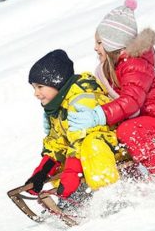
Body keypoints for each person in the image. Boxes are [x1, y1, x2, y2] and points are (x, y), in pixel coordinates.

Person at [68, 0, 155, 179]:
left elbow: (131, 102)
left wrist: (98, 115)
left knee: (127, 131)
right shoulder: (115, 67)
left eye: (100, 43)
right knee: (113, 134)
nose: (95, 48)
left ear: (113, 43)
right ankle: (132, 181)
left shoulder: (135, 64)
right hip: (142, 123)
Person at [25, 49, 130, 198]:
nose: (36, 93)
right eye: (34, 88)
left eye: (40, 87)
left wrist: (71, 175)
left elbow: (81, 141)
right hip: (88, 154)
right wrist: (41, 173)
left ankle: (109, 194)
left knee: (90, 144)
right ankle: (74, 197)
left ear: (57, 82)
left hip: (114, 148)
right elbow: (57, 144)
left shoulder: (81, 100)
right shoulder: (56, 107)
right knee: (62, 160)